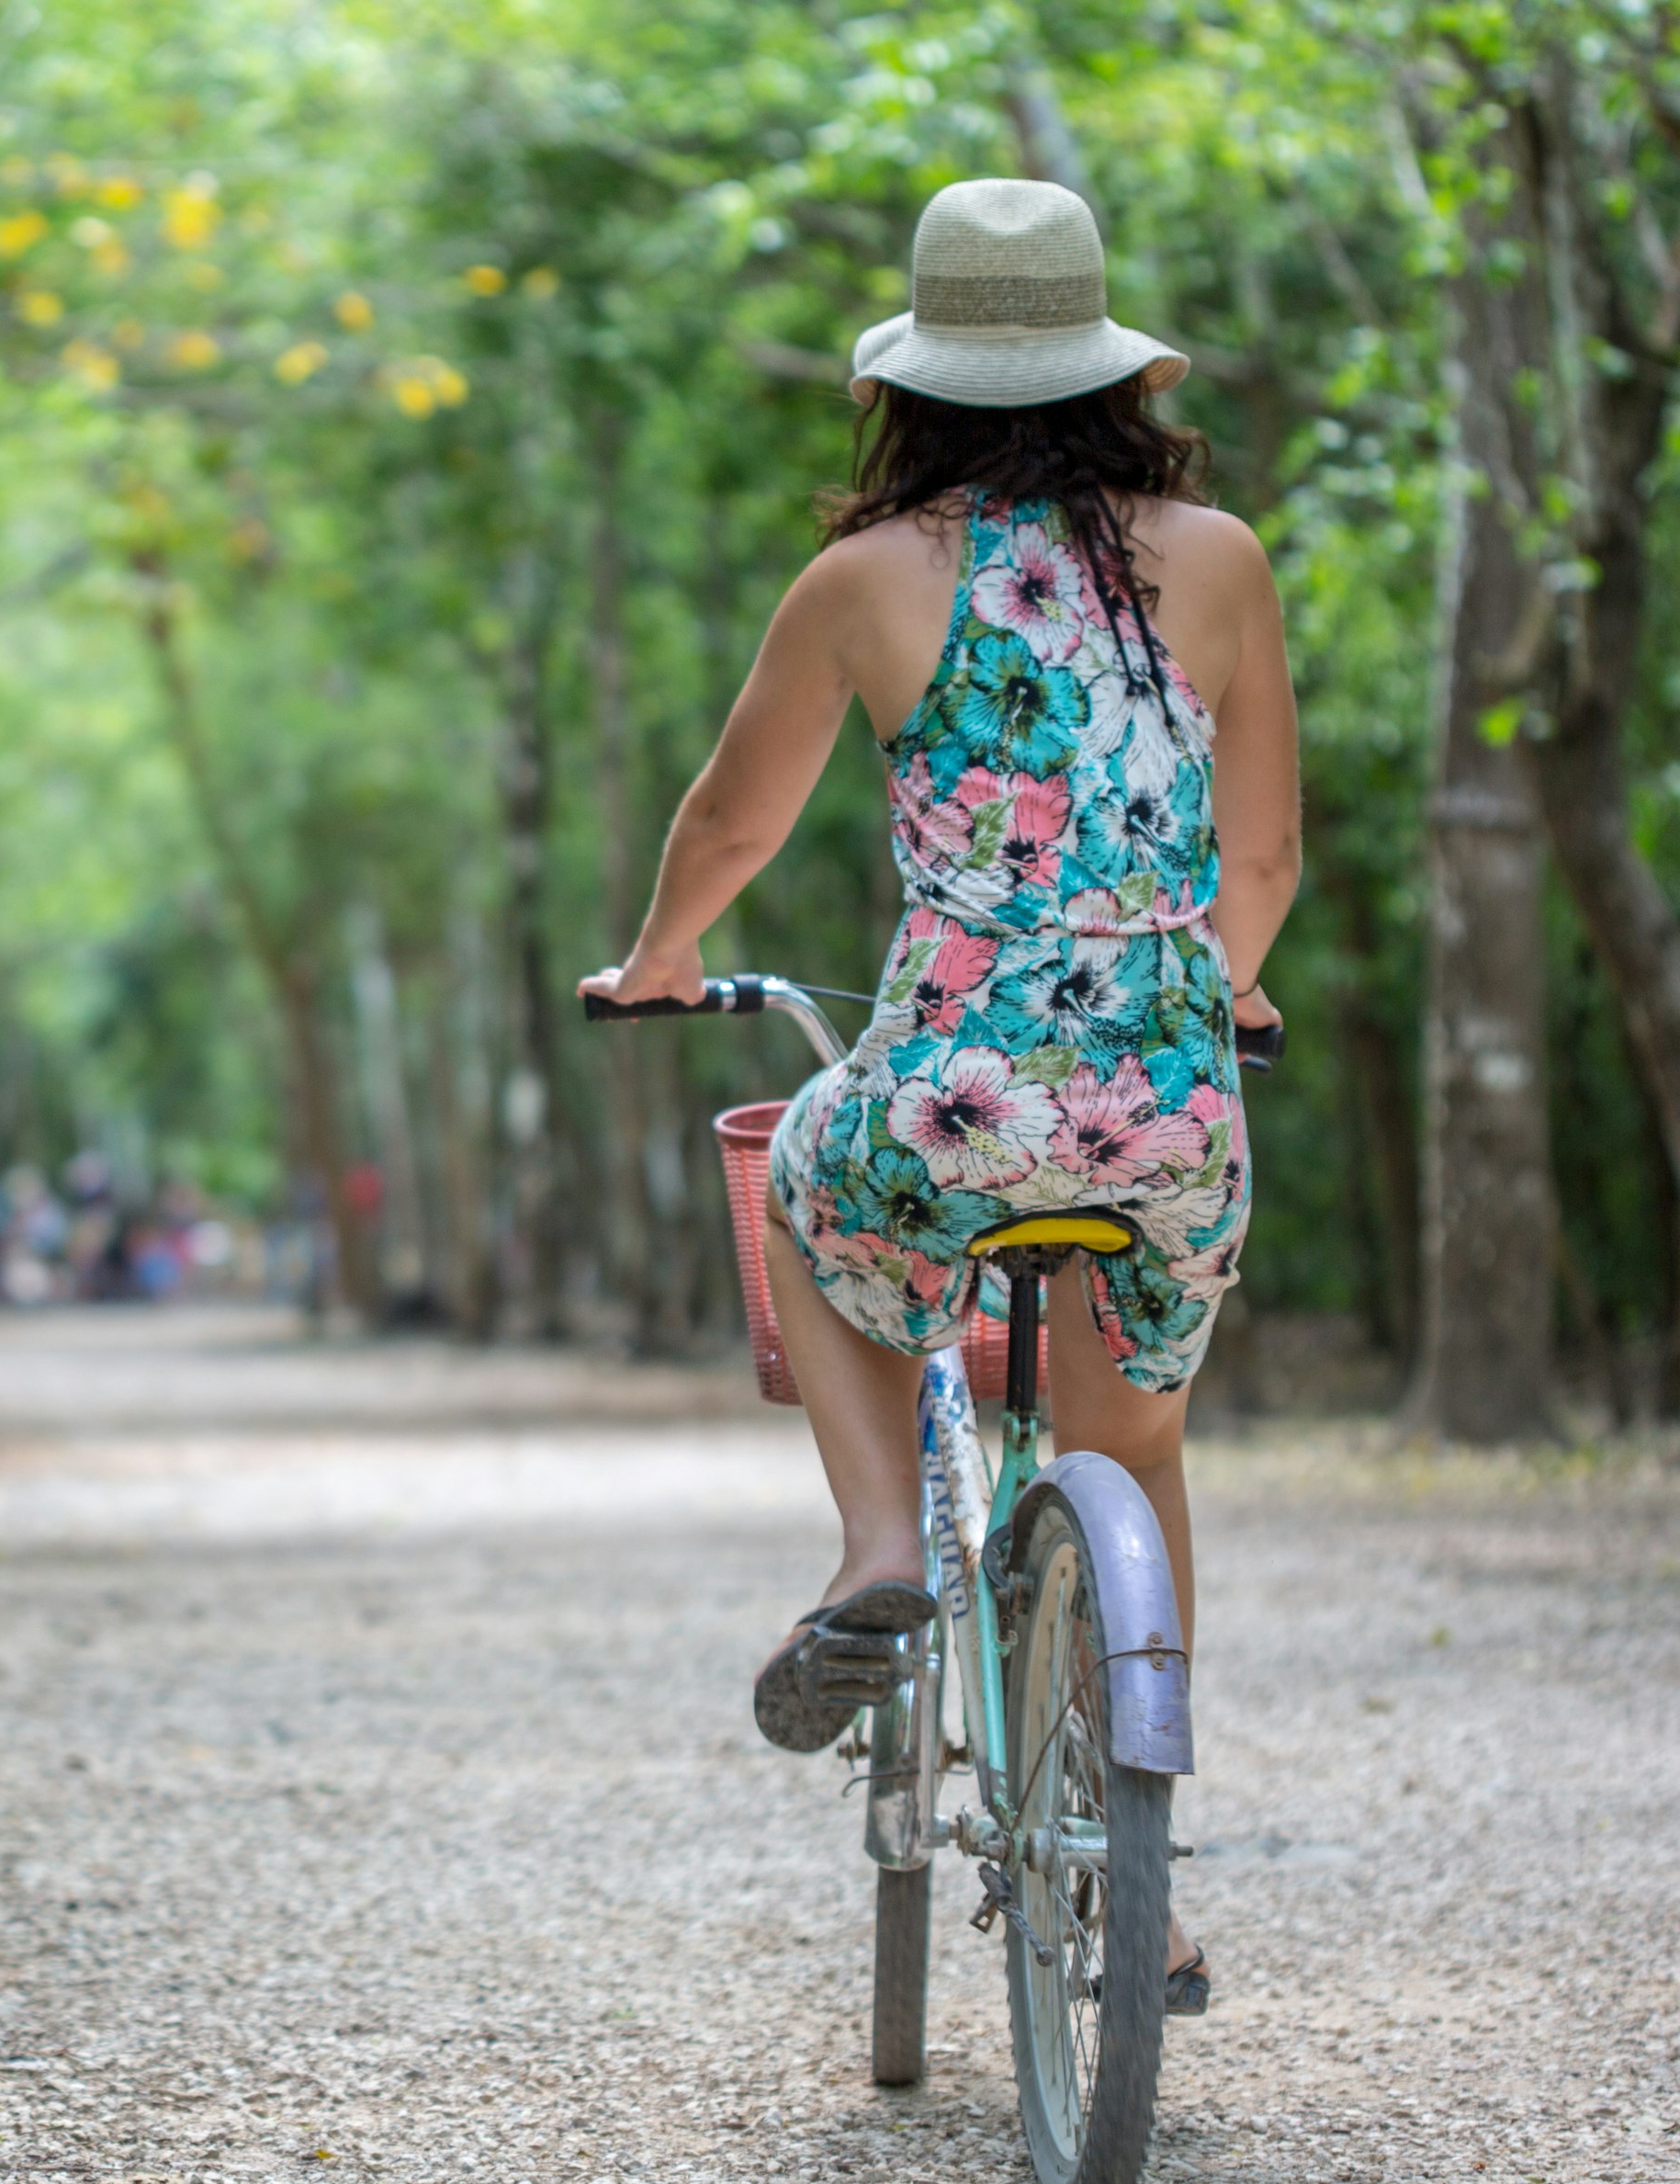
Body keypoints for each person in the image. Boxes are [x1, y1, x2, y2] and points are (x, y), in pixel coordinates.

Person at [581, 178, 1302, 2016]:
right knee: (1129, 1444)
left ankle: (880, 1543)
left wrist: (664, 954)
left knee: (808, 1192)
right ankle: (1145, 1861)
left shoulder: (864, 583)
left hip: (949, 1093)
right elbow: (1267, 850)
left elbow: (735, 818)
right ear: (1109, 365)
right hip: (1165, 1106)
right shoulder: (1217, 559)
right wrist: (1212, 981)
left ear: (913, 382)